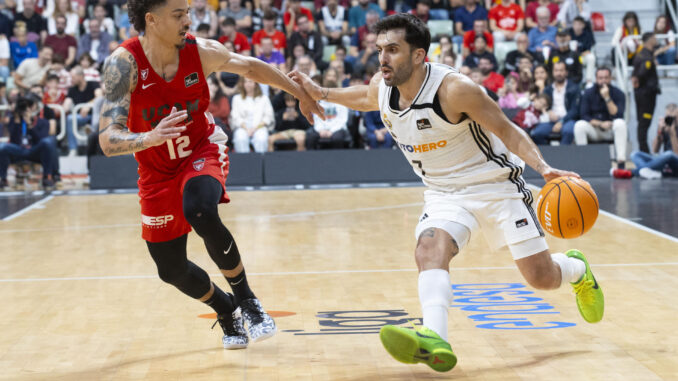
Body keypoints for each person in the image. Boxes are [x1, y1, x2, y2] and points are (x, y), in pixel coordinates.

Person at [289, 13, 603, 372]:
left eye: (393, 50)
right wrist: (322, 92)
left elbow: (507, 129)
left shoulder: (455, 90)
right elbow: (365, 96)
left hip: (495, 186)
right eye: (380, 50)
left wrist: (543, 168)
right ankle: (434, 337)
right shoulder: (384, 85)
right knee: (428, 249)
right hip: (442, 192)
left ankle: (578, 270)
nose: (383, 58)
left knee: (541, 277)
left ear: (419, 55)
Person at [98, 0, 322, 350]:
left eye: (188, 12)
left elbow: (251, 68)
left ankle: (247, 300)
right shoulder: (122, 64)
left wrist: (301, 94)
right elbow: (107, 140)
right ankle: (225, 307)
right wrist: (149, 137)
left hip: (200, 148)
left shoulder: (200, 52)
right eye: (178, 14)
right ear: (151, 20)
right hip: (155, 171)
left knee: (200, 207)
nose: (188, 19)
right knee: (170, 270)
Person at [574, 67, 628, 172]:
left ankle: (621, 162)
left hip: (611, 129)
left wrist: (607, 98)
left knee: (620, 123)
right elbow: (584, 115)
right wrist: (600, 124)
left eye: (606, 78)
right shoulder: (588, 93)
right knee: (579, 125)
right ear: (596, 78)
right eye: (600, 78)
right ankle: (583, 162)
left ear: (611, 78)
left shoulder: (619, 93)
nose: (603, 81)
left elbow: (618, 115)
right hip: (595, 129)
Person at [0, 96, 58, 189]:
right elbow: (14, 140)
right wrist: (17, 119)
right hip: (19, 150)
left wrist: (30, 124)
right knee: (2, 147)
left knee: (48, 142)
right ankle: (3, 179)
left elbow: (41, 140)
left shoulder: (42, 122)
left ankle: (47, 176)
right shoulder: (14, 121)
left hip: (34, 150)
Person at [531, 61, 579, 145]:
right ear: (552, 72)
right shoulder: (548, 89)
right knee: (537, 133)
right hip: (550, 120)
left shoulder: (574, 88)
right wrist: (549, 112)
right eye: (556, 70)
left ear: (566, 72)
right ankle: (545, 157)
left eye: (561, 70)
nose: (558, 73)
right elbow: (542, 105)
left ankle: (563, 156)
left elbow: (574, 110)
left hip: (567, 119)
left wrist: (561, 121)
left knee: (568, 131)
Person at [630, 103, 678, 178]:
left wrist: (672, 134)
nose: (671, 120)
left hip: (675, 162)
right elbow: (655, 150)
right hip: (664, 161)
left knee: (669, 154)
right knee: (635, 154)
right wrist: (659, 132)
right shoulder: (666, 127)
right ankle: (653, 172)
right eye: (668, 117)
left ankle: (634, 172)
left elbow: (676, 154)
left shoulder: (673, 130)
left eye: (673, 118)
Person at [631, 32, 660, 154]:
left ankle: (644, 151)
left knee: (644, 124)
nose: (656, 40)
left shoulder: (645, 54)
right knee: (644, 124)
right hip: (646, 96)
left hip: (645, 94)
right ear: (649, 40)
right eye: (654, 38)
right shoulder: (645, 56)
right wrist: (637, 80)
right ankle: (644, 152)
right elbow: (640, 74)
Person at [230, 77, 274, 153]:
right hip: (242, 127)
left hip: (259, 127)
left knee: (261, 138)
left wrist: (255, 128)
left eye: (250, 82)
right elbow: (235, 117)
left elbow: (268, 117)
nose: (248, 84)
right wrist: (246, 129)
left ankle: (261, 162)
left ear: (255, 84)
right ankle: (244, 162)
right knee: (240, 138)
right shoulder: (236, 98)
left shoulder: (264, 98)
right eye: (245, 82)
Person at [568, 16, 596, 86]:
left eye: (579, 24)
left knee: (591, 57)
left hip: (582, 56)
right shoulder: (568, 33)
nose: (577, 26)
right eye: (575, 24)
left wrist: (578, 55)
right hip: (568, 56)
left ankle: (589, 81)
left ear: (583, 25)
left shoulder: (587, 34)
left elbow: (588, 51)